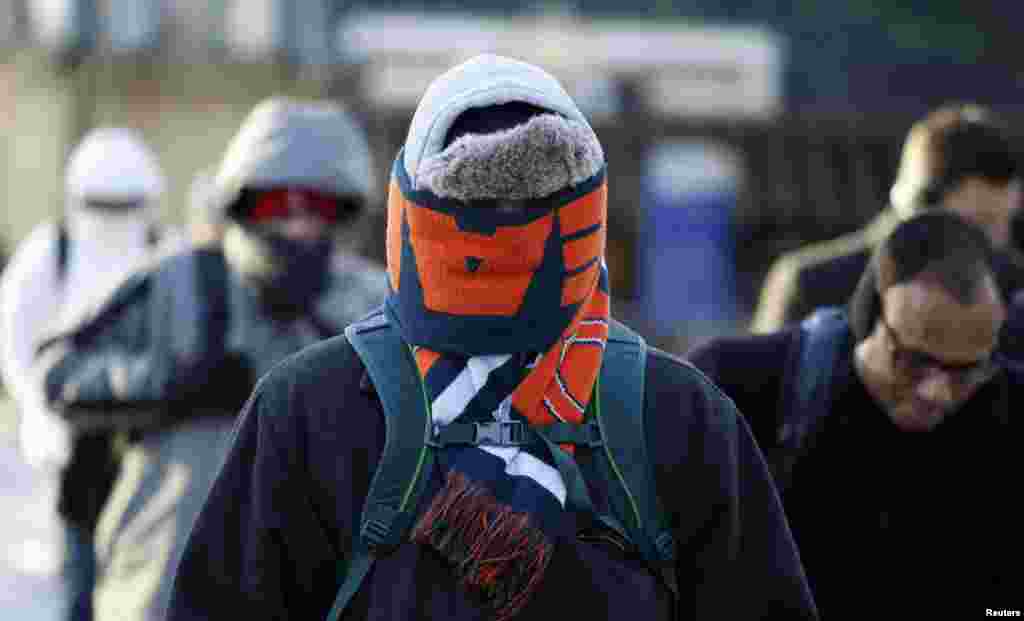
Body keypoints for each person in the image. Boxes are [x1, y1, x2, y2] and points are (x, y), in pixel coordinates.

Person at [165, 54, 817, 621]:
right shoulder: (683, 412)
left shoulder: (309, 404)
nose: (505, 231)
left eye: (526, 202)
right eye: (483, 202)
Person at [36, 98, 389, 621]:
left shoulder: (370, 305)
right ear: (240, 201)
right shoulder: (175, 286)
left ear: (342, 211)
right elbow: (58, 373)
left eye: (315, 206)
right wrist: (165, 385)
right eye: (277, 205)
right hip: (160, 589)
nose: (296, 225)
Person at [689, 212, 1022, 618]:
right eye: (914, 362)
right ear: (869, 316)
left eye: (966, 371)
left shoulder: (1007, 414)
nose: (937, 392)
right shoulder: (736, 389)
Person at [0, 127, 179, 621]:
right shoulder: (50, 252)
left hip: (148, 445)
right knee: (79, 586)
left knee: (142, 583)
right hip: (73, 447)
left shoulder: (170, 254)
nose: (113, 221)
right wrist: (39, 408)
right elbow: (13, 335)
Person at [751, 103, 1024, 333]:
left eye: (1006, 222)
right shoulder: (813, 287)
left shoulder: (1013, 290)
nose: (997, 241)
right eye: (982, 224)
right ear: (916, 208)